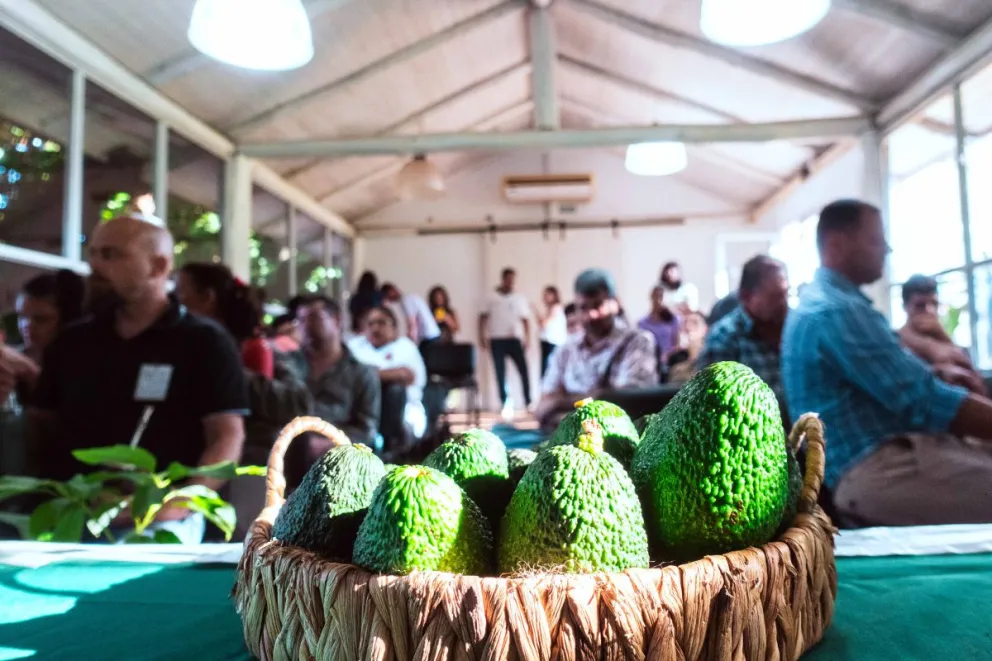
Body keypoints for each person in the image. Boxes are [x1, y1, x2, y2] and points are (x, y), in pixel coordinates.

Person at [28, 214, 249, 544]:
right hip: (72, 513)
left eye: (111, 254)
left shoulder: (205, 343)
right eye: (93, 253)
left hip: (162, 521)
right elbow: (40, 426)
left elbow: (227, 437)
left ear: (158, 266)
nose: (95, 266)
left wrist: (179, 502)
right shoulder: (71, 342)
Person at [782, 199, 992, 527]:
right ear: (838, 243)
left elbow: (898, 383)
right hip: (881, 469)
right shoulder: (837, 310)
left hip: (884, 461)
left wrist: (937, 368)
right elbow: (924, 401)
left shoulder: (829, 304)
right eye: (877, 240)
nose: (887, 249)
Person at [537, 269, 657, 430]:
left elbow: (631, 403)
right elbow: (544, 406)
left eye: (598, 305)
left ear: (615, 303)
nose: (591, 314)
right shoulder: (565, 350)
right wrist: (600, 398)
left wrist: (563, 402)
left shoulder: (637, 342)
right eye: (584, 307)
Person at [282, 295, 380, 451]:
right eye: (300, 320)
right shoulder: (286, 364)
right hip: (286, 445)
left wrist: (329, 445)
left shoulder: (361, 373)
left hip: (337, 453)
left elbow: (366, 429)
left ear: (336, 320)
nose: (305, 325)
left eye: (313, 318)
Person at [697, 256, 789, 402]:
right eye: (774, 297)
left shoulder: (793, 329)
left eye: (785, 294)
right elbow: (717, 406)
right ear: (746, 296)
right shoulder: (724, 339)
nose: (784, 304)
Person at [176, 263, 273, 378]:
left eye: (179, 291)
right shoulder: (196, 344)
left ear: (208, 297)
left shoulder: (253, 349)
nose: (172, 300)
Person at [349, 306, 428, 445]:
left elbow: (406, 375)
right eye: (370, 323)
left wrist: (369, 374)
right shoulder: (356, 346)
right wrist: (387, 374)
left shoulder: (404, 346)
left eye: (381, 323)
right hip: (359, 405)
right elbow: (347, 376)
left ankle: (391, 446)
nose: (375, 328)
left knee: (394, 389)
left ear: (394, 326)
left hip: (401, 408)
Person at [898, 274, 986, 395]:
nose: (929, 310)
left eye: (934, 304)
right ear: (905, 307)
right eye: (920, 305)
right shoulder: (894, 342)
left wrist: (944, 338)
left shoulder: (945, 340)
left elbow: (979, 388)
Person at [479, 268, 532, 419]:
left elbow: (525, 320)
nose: (510, 282)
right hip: (496, 339)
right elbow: (482, 317)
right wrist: (481, 336)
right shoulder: (490, 297)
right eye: (508, 279)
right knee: (500, 373)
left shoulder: (519, 298)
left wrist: (527, 338)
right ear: (503, 279)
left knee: (523, 370)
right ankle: (504, 403)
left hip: (514, 339)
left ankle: (528, 402)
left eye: (512, 280)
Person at [638, 286, 681, 363]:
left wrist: (668, 355)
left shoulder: (673, 319)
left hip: (669, 362)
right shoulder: (643, 323)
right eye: (656, 296)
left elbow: (676, 344)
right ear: (651, 298)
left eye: (661, 297)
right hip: (648, 361)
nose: (658, 301)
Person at [667, 311, 708, 384]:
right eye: (685, 323)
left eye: (694, 323)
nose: (688, 327)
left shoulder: (712, 356)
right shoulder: (675, 359)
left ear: (705, 329)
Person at [536, 286, 567, 378]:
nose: (545, 297)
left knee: (548, 372)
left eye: (547, 294)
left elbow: (543, 324)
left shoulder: (556, 308)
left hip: (552, 343)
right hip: (547, 343)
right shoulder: (550, 309)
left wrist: (535, 311)